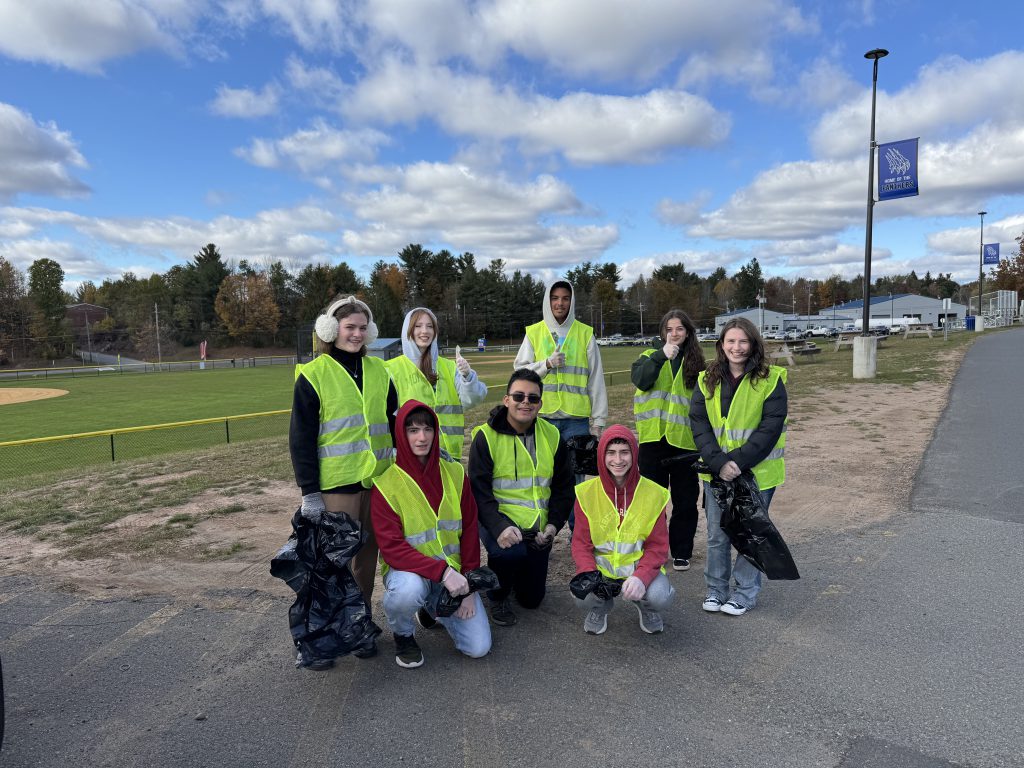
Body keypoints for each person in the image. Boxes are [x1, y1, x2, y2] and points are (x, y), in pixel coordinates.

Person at [289, 295, 398, 658]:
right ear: (331, 330)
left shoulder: (381, 372)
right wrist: (310, 493)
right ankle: (318, 637)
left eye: (363, 328)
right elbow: (301, 440)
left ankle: (358, 625)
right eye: (350, 327)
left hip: (378, 483)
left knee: (366, 561)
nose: (357, 334)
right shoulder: (313, 374)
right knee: (330, 565)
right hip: (336, 486)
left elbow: (394, 425)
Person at [371, 401, 491, 668]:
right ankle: (404, 635)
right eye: (413, 430)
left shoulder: (455, 473)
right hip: (411, 573)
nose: (422, 437)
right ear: (401, 435)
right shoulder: (386, 484)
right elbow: (392, 549)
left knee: (478, 647)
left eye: (427, 429)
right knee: (408, 591)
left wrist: (469, 586)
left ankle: (431, 608)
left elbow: (470, 531)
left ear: (436, 432)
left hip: (454, 576)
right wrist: (443, 573)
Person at [690, 317, 788, 617]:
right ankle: (716, 590)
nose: (737, 347)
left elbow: (770, 428)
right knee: (718, 534)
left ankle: (745, 593)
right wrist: (719, 463)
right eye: (731, 341)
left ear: (753, 343)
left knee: (751, 532)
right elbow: (699, 423)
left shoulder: (771, 379)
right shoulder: (706, 378)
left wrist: (738, 463)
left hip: (757, 473)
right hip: (717, 473)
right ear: (721, 345)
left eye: (743, 341)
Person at [468, 368, 574, 626]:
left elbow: (564, 487)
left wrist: (553, 525)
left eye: (532, 398)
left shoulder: (552, 435)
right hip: (500, 521)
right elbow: (479, 494)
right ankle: (498, 594)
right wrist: (499, 527)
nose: (525, 402)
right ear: (506, 400)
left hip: (538, 527)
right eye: (518, 396)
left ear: (540, 403)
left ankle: (516, 577)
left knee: (531, 600)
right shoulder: (485, 437)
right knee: (509, 555)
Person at [571, 425, 675, 635]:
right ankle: (601, 606)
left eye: (624, 452)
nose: (618, 460)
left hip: (637, 567)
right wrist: (589, 574)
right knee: (581, 594)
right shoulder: (586, 493)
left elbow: (658, 546)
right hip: (602, 569)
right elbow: (581, 543)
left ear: (634, 454)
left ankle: (645, 606)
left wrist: (641, 577)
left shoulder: (654, 494)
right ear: (602, 455)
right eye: (611, 453)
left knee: (660, 596)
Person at [631, 310, 706, 572]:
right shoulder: (648, 356)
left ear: (688, 333)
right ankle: (655, 550)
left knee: (685, 500)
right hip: (653, 441)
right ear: (662, 332)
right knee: (653, 501)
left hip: (685, 442)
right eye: (669, 329)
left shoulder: (697, 363)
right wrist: (662, 355)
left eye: (680, 329)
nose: (674, 334)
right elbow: (640, 379)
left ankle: (682, 551)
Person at [386, 307, 487, 459]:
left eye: (430, 326)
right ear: (408, 330)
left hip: (450, 456)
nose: (424, 331)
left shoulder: (449, 367)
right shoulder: (391, 369)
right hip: (413, 455)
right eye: (418, 326)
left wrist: (467, 376)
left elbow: (471, 401)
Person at [514, 280, 607, 444]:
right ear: (547, 301)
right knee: (544, 470)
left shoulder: (585, 334)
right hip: (542, 416)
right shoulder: (534, 332)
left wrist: (598, 421)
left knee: (576, 470)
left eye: (565, 298)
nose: (560, 303)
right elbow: (519, 373)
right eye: (555, 298)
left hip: (576, 420)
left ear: (571, 301)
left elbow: (596, 379)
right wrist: (546, 364)